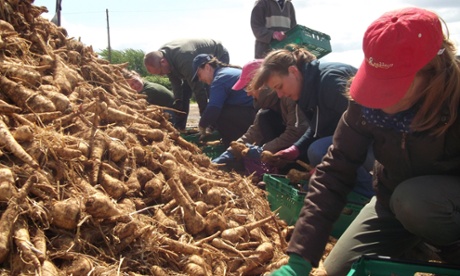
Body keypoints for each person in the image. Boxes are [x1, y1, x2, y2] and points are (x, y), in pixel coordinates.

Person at [269, 7, 460, 275]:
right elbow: (335, 170)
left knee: (416, 202)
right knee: (337, 271)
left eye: (392, 86)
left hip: (438, 200)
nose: (380, 99)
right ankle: (414, 238)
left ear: (432, 72)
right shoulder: (365, 105)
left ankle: (450, 247)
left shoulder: (454, 98)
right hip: (390, 198)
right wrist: (300, 257)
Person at [213, 59, 308, 176]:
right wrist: (231, 151)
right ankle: (277, 167)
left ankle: (290, 168)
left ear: (262, 84)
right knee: (264, 117)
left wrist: (263, 150)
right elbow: (253, 132)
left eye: (248, 87)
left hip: (303, 146)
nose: (247, 93)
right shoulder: (264, 106)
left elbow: (296, 132)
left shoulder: (289, 95)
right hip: (287, 144)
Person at [143, 39, 230, 131]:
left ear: (163, 62)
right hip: (191, 65)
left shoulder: (184, 58)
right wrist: (178, 101)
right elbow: (176, 83)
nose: (161, 75)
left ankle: (218, 124)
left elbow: (199, 89)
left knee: (212, 89)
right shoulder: (163, 58)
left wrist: (204, 121)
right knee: (183, 95)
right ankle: (179, 127)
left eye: (160, 72)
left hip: (217, 55)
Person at [192, 54, 256, 148]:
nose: (200, 79)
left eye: (199, 75)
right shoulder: (227, 72)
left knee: (221, 113)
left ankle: (234, 149)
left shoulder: (219, 79)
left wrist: (202, 125)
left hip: (254, 114)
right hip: (256, 112)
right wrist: (211, 127)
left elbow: (213, 109)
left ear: (207, 67)